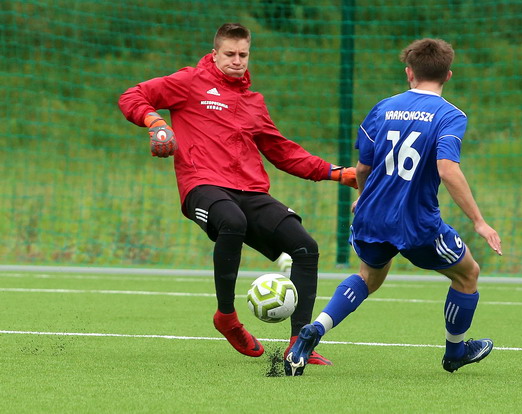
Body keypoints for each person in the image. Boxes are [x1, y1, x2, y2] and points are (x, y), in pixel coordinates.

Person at [118, 23, 357, 366]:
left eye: (243, 54)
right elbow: (132, 96)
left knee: (306, 247)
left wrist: (337, 172)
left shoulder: (253, 102)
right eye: (229, 54)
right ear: (214, 54)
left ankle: (298, 343)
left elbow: (283, 152)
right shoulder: (189, 82)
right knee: (232, 221)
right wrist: (155, 122)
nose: (237, 60)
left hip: (250, 190)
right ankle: (226, 317)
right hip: (202, 185)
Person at [285, 38, 502, 376]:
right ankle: (455, 352)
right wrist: (479, 221)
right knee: (467, 274)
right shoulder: (450, 115)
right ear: (448, 75)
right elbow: (447, 169)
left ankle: (314, 329)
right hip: (417, 222)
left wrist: (364, 197)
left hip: (373, 217)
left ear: (409, 72)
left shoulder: (383, 108)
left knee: (368, 277)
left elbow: (363, 168)